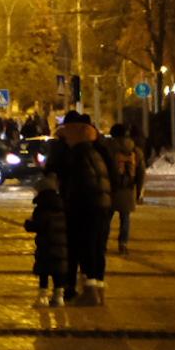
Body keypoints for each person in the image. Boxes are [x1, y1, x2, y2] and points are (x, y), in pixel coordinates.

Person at [54, 112, 113, 305]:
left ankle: (88, 292)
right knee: (97, 247)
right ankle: (97, 290)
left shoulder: (79, 153)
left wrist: (70, 203)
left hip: (85, 206)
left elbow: (79, 182)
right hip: (103, 203)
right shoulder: (97, 150)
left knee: (84, 247)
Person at [24, 174, 71, 307]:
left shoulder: (41, 209)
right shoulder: (61, 206)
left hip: (45, 247)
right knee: (58, 272)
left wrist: (27, 223)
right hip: (61, 248)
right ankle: (59, 296)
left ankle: (43, 296)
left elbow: (37, 225)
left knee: (44, 272)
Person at [109, 124, 144, 254]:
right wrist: (139, 191)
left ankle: (103, 242)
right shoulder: (135, 150)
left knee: (106, 218)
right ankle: (123, 243)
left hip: (111, 188)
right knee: (125, 218)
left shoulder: (109, 148)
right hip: (128, 188)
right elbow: (141, 173)